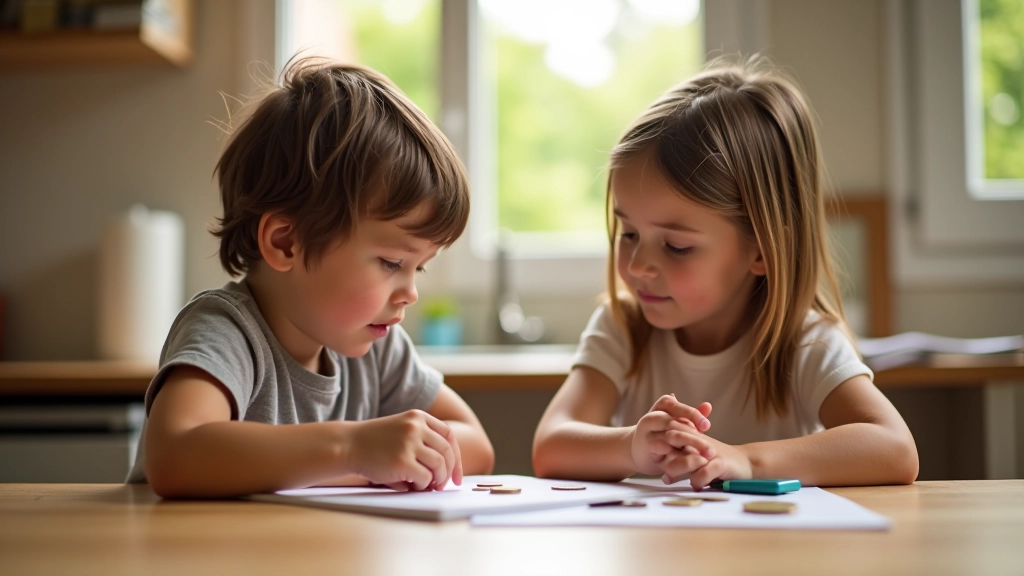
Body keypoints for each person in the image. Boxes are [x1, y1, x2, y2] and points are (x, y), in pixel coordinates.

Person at [532, 58, 918, 489]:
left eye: (676, 246)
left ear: (762, 249)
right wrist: (632, 447)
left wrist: (746, 461)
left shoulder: (807, 341)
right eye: (629, 233)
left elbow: (894, 448)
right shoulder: (624, 327)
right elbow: (551, 445)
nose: (638, 265)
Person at [128, 57, 494, 497]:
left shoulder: (378, 349)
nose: (410, 293)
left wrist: (386, 457)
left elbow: (476, 445)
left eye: (420, 267)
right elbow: (176, 454)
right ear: (286, 243)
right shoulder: (226, 330)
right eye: (392, 262)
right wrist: (352, 450)